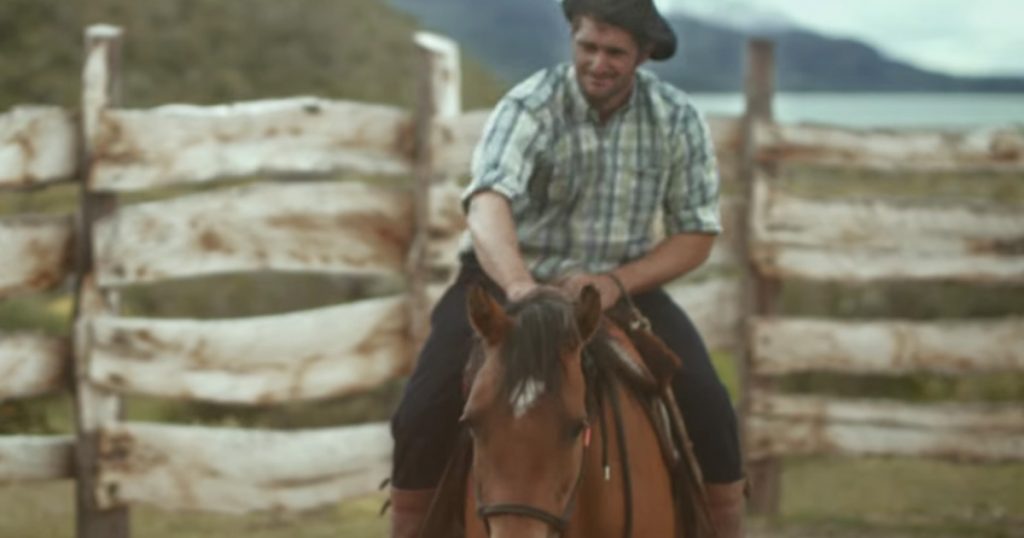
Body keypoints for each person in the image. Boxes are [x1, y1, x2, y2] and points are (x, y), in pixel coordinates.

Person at [389, 0, 745, 536]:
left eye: (615, 52)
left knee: (711, 410)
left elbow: (696, 234)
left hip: (622, 288)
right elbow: (487, 202)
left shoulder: (676, 118)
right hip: (507, 280)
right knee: (420, 414)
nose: (598, 62)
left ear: (643, 55)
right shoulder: (530, 104)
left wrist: (614, 283)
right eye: (588, 47)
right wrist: (517, 286)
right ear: (573, 39)